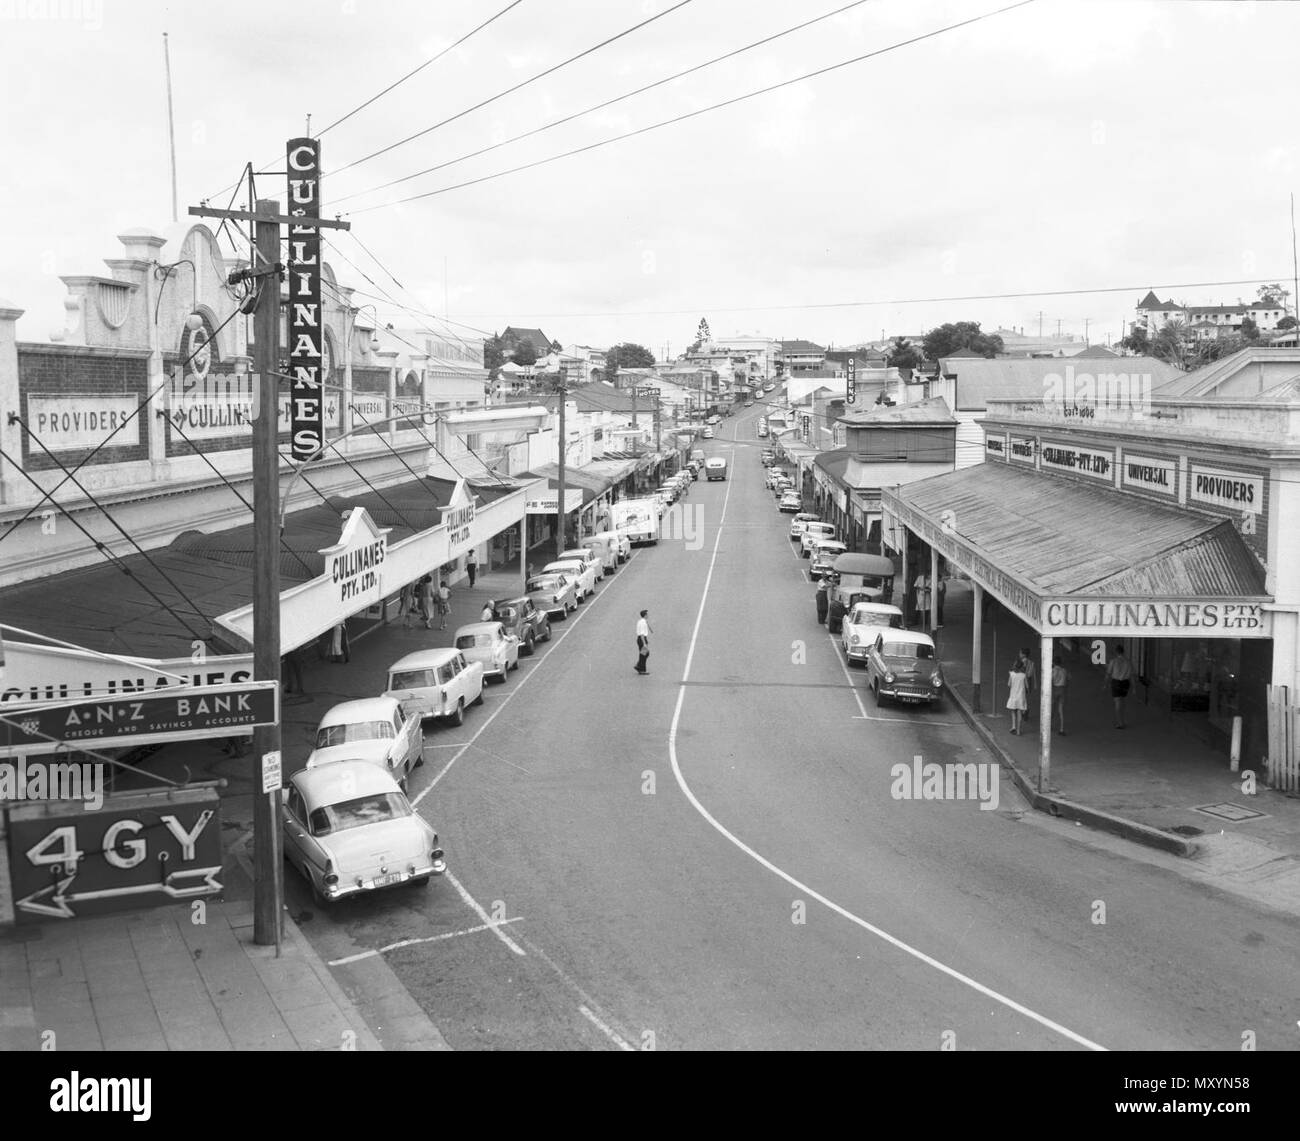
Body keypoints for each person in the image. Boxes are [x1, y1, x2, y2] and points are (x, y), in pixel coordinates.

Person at [1104, 643, 1133, 728]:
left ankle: (1119, 722)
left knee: (1117, 702)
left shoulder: (1113, 661)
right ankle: (1123, 720)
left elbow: (1108, 673)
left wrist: (1105, 684)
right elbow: (1131, 675)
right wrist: (1134, 687)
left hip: (1116, 682)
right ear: (1123, 652)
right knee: (1123, 701)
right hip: (1125, 683)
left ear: (1116, 652)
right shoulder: (1128, 662)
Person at [1006, 658, 1027, 735]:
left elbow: (1009, 684)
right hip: (1021, 696)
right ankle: (1018, 730)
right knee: (1019, 713)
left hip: (1013, 695)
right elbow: (1027, 686)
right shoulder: (1023, 675)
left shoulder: (1011, 674)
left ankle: (1013, 726)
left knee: (1013, 712)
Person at [1051, 654, 1069, 736]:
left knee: (1052, 708)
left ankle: (1050, 725)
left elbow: (1051, 679)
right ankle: (1061, 729)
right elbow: (1069, 678)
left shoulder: (1053, 670)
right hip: (1062, 689)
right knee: (1061, 710)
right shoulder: (1064, 670)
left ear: (1054, 662)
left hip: (1055, 689)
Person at [1019, 647, 1037, 722]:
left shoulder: (1021, 662)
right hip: (1029, 681)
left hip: (1023, 680)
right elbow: (1034, 674)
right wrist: (1035, 683)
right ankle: (1025, 710)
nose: (1019, 654)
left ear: (1023, 654)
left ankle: (1024, 710)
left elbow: (1020, 672)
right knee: (1025, 696)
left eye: (1020, 653)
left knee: (1021, 696)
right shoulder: (1032, 663)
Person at [635, 609, 653, 675]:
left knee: (643, 654)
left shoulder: (641, 621)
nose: (648, 615)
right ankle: (640, 668)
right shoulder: (643, 623)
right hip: (642, 639)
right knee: (645, 654)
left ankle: (639, 666)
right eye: (647, 614)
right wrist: (644, 643)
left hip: (640, 639)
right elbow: (642, 634)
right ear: (645, 615)